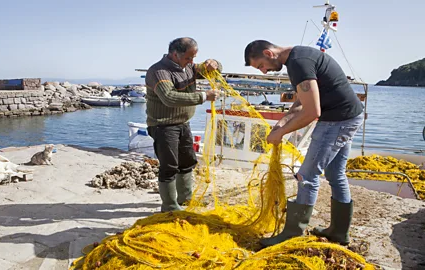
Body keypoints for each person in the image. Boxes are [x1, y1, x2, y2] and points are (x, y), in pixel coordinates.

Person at [243, 40, 364, 248]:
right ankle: (339, 232)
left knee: (306, 175)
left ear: (268, 52)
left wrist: (280, 134)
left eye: (261, 65)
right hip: (349, 115)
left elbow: (312, 112)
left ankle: (292, 233)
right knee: (336, 174)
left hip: (337, 120)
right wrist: (281, 123)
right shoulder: (298, 58)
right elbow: (301, 102)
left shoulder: (298, 63)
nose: (263, 72)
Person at [146, 37, 222, 212]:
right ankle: (170, 206)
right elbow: (169, 98)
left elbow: (214, 71)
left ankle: (185, 197)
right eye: (189, 58)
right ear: (175, 54)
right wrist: (203, 96)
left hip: (183, 123)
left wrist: (214, 63)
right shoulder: (158, 71)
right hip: (162, 125)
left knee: (187, 161)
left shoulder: (189, 67)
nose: (192, 62)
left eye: (194, 57)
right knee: (169, 165)